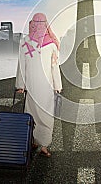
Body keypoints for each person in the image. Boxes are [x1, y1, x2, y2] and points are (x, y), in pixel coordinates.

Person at [16, 13, 62, 158]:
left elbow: (21, 66)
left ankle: (35, 141)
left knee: (31, 113)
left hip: (31, 86)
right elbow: (54, 67)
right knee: (46, 115)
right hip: (46, 86)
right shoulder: (52, 44)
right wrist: (57, 85)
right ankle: (43, 145)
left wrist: (20, 85)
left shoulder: (25, 42)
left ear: (32, 24)